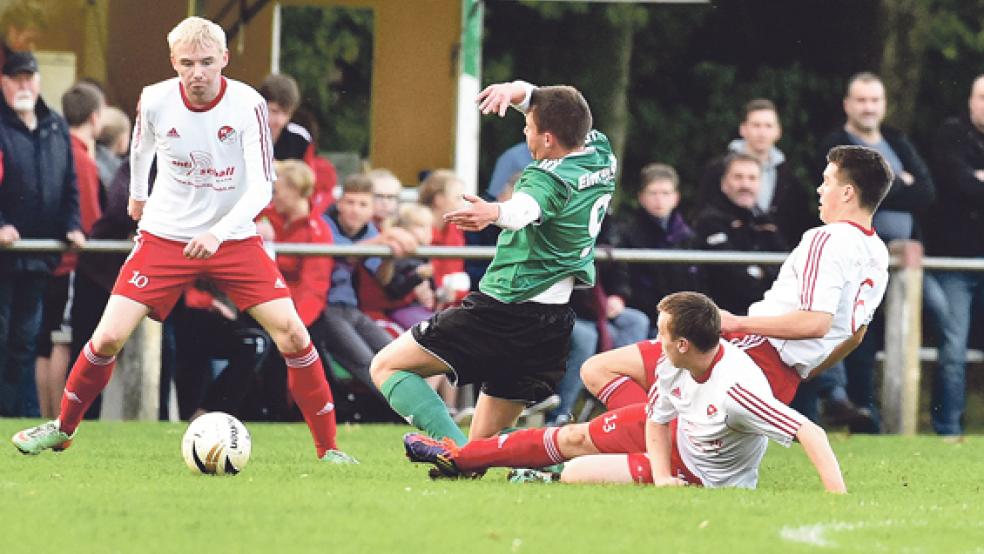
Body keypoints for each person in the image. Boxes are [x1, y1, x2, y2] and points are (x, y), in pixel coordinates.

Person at [10, 16, 355, 463]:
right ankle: (62, 429)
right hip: (165, 236)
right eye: (187, 63)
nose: (197, 73)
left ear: (224, 60)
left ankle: (328, 450)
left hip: (232, 238)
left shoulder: (247, 103)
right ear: (173, 61)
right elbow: (141, 147)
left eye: (207, 62)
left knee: (291, 334)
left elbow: (262, 188)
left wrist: (217, 232)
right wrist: (138, 196)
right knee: (109, 336)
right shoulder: (155, 99)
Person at [370, 79, 616, 445]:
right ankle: (493, 460)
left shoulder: (546, 176)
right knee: (482, 449)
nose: (525, 132)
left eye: (528, 128)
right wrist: (517, 93)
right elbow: (557, 109)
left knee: (386, 366)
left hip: (503, 310)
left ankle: (451, 447)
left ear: (548, 138)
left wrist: (493, 212)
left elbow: (523, 210)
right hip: (551, 321)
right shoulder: (600, 152)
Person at [404, 292, 846, 493]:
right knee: (573, 438)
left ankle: (534, 475)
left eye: (661, 332)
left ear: (683, 344)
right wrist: (658, 474)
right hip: (673, 444)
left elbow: (812, 433)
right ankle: (457, 458)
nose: (654, 339)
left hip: (700, 477)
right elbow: (656, 421)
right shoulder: (675, 366)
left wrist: (835, 501)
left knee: (578, 473)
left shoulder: (737, 389)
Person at [581, 146, 894, 418]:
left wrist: (737, 323)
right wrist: (803, 373)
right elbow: (855, 336)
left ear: (848, 192)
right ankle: (649, 441)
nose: (819, 190)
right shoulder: (877, 252)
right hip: (780, 379)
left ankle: (645, 437)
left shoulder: (825, 238)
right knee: (680, 447)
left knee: (598, 370)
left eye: (826, 182)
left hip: (752, 352)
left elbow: (815, 323)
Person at [817, 72, 935, 430]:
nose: (868, 107)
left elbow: (927, 192)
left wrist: (879, 188)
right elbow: (844, 195)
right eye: (861, 100)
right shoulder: (837, 143)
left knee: (931, 317)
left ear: (884, 105)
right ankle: (860, 411)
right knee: (858, 328)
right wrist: (900, 185)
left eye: (874, 100)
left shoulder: (897, 140)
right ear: (847, 105)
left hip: (902, 262)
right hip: (857, 254)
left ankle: (892, 413)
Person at [0, 52, 84, 417]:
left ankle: (10, 414)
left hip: (37, 257)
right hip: (5, 254)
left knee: (25, 340)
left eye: (28, 77)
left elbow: (69, 184)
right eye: (16, 78)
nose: (23, 84)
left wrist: (73, 224)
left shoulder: (55, 127)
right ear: (3, 82)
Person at [34, 82, 105, 420]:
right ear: (95, 116)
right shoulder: (82, 159)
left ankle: (47, 414)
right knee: (60, 340)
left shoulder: (55, 148)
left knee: (44, 341)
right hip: (70, 266)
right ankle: (56, 416)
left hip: (47, 262)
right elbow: (90, 219)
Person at [925, 75, 984, 438]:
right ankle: (947, 430)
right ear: (970, 100)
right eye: (982, 97)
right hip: (954, 265)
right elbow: (958, 183)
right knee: (953, 346)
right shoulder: (951, 134)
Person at [698, 98, 815, 245]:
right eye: (756, 125)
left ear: (778, 131)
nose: (762, 133)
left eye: (768, 126)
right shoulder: (717, 169)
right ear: (743, 129)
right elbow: (704, 213)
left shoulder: (789, 177)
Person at [692, 152, 788, 315]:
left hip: (766, 312)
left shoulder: (764, 220)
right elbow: (729, 276)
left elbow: (787, 266)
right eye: (738, 177)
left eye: (752, 178)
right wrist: (765, 276)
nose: (745, 185)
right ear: (724, 183)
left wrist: (762, 274)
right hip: (722, 316)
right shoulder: (710, 220)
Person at [605, 163, 698, 323]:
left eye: (665, 193)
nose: (659, 199)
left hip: (681, 318)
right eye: (653, 193)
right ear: (641, 197)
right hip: (642, 312)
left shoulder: (688, 236)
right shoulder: (626, 234)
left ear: (676, 198)